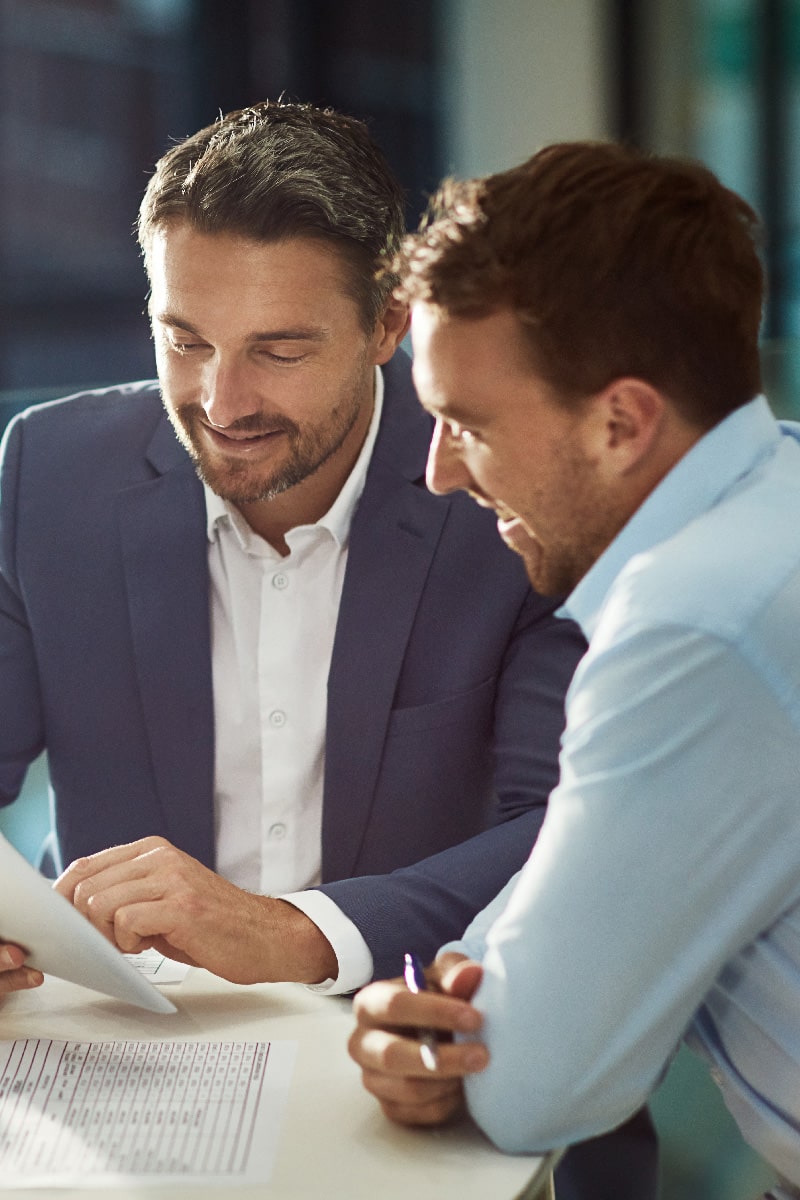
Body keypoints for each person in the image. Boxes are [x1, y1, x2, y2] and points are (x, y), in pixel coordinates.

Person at [0, 102, 658, 1198]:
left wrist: (298, 933)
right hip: (131, 1095)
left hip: (436, 1074)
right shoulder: (49, 470)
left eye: (279, 350)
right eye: (184, 339)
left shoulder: (509, 489)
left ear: (388, 324)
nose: (220, 401)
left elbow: (571, 832)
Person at [348, 140, 800, 1199]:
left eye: (467, 425)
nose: (438, 469)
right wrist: (453, 997)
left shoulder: (693, 626)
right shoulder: (772, 491)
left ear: (619, 422)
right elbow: (559, 892)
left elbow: (528, 1091)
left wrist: (458, 1032)